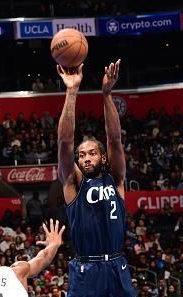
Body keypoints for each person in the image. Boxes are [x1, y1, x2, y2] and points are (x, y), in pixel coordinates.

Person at [57, 59, 135, 296]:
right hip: (86, 268)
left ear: (103, 158)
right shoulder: (73, 183)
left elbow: (114, 140)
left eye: (92, 153)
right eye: (82, 155)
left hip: (116, 264)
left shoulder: (117, 179)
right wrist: (72, 91)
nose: (86, 158)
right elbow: (65, 142)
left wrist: (107, 94)